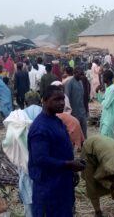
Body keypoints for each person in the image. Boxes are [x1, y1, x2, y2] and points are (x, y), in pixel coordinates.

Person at [28, 85, 86, 217]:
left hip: (61, 184)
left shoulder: (56, 120)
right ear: (45, 100)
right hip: (49, 189)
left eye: (63, 99)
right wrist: (68, 165)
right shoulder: (40, 128)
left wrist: (71, 169)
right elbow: (40, 159)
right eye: (56, 99)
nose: (61, 103)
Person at [2, 91, 42, 217]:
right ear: (40, 101)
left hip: (26, 167)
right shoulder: (46, 112)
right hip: (45, 164)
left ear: (25, 103)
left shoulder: (17, 117)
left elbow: (8, 143)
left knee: (29, 198)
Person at [81, 135, 114, 217]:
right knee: (91, 184)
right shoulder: (108, 167)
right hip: (89, 151)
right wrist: (111, 185)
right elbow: (97, 176)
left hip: (105, 149)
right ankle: (98, 212)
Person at [65, 67, 88, 138]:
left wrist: (85, 109)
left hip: (82, 111)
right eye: (80, 74)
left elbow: (82, 96)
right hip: (74, 112)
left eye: (82, 75)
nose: (81, 76)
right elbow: (67, 98)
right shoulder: (69, 83)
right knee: (76, 132)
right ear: (75, 73)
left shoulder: (80, 82)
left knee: (84, 130)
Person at [96, 70, 114, 138]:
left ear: (107, 78)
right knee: (106, 138)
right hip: (105, 116)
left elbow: (106, 104)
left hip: (110, 117)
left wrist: (103, 100)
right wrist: (97, 92)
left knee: (106, 137)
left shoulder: (113, 89)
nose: (102, 79)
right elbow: (102, 100)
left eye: (103, 77)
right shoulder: (108, 88)